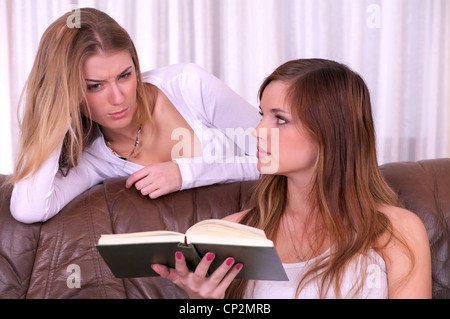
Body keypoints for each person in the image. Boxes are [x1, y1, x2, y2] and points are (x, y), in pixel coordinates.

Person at [152, 58, 432, 299]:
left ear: (330, 133)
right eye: (263, 115)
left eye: (280, 119)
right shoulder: (232, 233)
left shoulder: (397, 231)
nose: (257, 131)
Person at [8, 8, 260, 224]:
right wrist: (53, 111)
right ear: (67, 93)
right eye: (95, 86)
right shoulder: (95, 158)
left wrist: (186, 173)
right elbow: (29, 209)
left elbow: (281, 158)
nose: (118, 98)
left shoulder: (188, 86)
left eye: (125, 75)